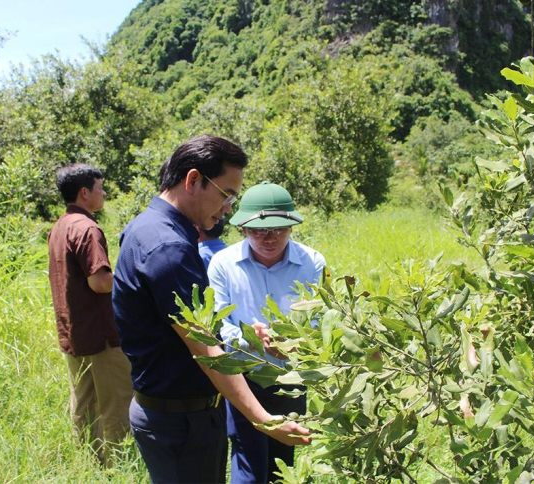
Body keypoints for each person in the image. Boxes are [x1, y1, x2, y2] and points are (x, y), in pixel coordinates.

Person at [112, 135, 310, 484]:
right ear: (193, 180)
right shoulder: (168, 248)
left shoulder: (148, 227)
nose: (229, 208)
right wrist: (264, 420)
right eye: (227, 194)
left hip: (173, 414)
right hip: (181, 423)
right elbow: (206, 349)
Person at [207, 182, 326, 484]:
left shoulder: (312, 263)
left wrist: (292, 342)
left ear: (291, 227)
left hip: (290, 377)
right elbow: (219, 321)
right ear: (243, 228)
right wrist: (247, 338)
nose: (269, 238)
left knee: (281, 462)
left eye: (278, 229)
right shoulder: (222, 264)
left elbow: (317, 320)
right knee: (247, 460)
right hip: (242, 376)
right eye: (259, 230)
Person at [48, 164, 132, 467]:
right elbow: (99, 282)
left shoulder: (61, 225)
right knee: (117, 403)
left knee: (84, 404)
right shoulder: (87, 228)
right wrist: (131, 276)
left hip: (74, 331)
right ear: (85, 192)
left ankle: (89, 465)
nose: (105, 192)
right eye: (100, 187)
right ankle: (120, 465)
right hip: (101, 335)